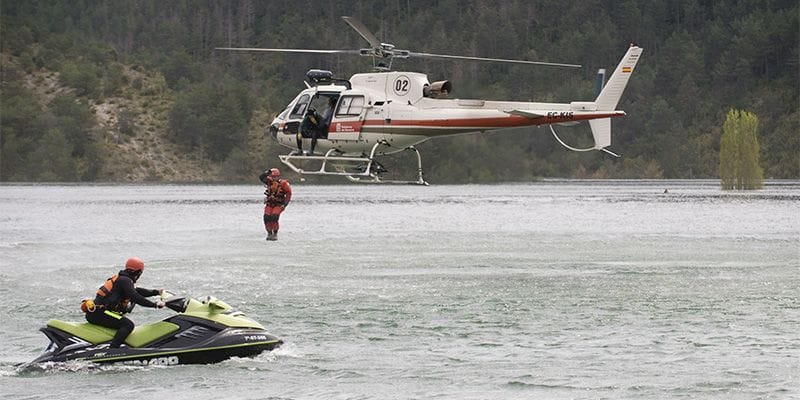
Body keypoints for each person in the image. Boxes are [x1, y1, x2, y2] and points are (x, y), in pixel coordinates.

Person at [84, 257, 165, 348]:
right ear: (138, 272)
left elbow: (137, 291)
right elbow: (135, 297)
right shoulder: (125, 280)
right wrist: (155, 305)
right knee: (128, 325)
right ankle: (112, 349)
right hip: (100, 313)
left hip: (97, 312)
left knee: (124, 322)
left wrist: (157, 292)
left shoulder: (123, 279)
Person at [259, 168, 292, 241]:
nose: (274, 178)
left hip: (279, 204)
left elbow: (289, 194)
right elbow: (261, 177)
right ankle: (269, 233)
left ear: (278, 176)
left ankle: (275, 233)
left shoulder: (284, 184)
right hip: (270, 203)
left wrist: (285, 204)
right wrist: (268, 171)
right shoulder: (268, 182)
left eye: (275, 177)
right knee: (266, 217)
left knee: (274, 217)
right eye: (272, 177)